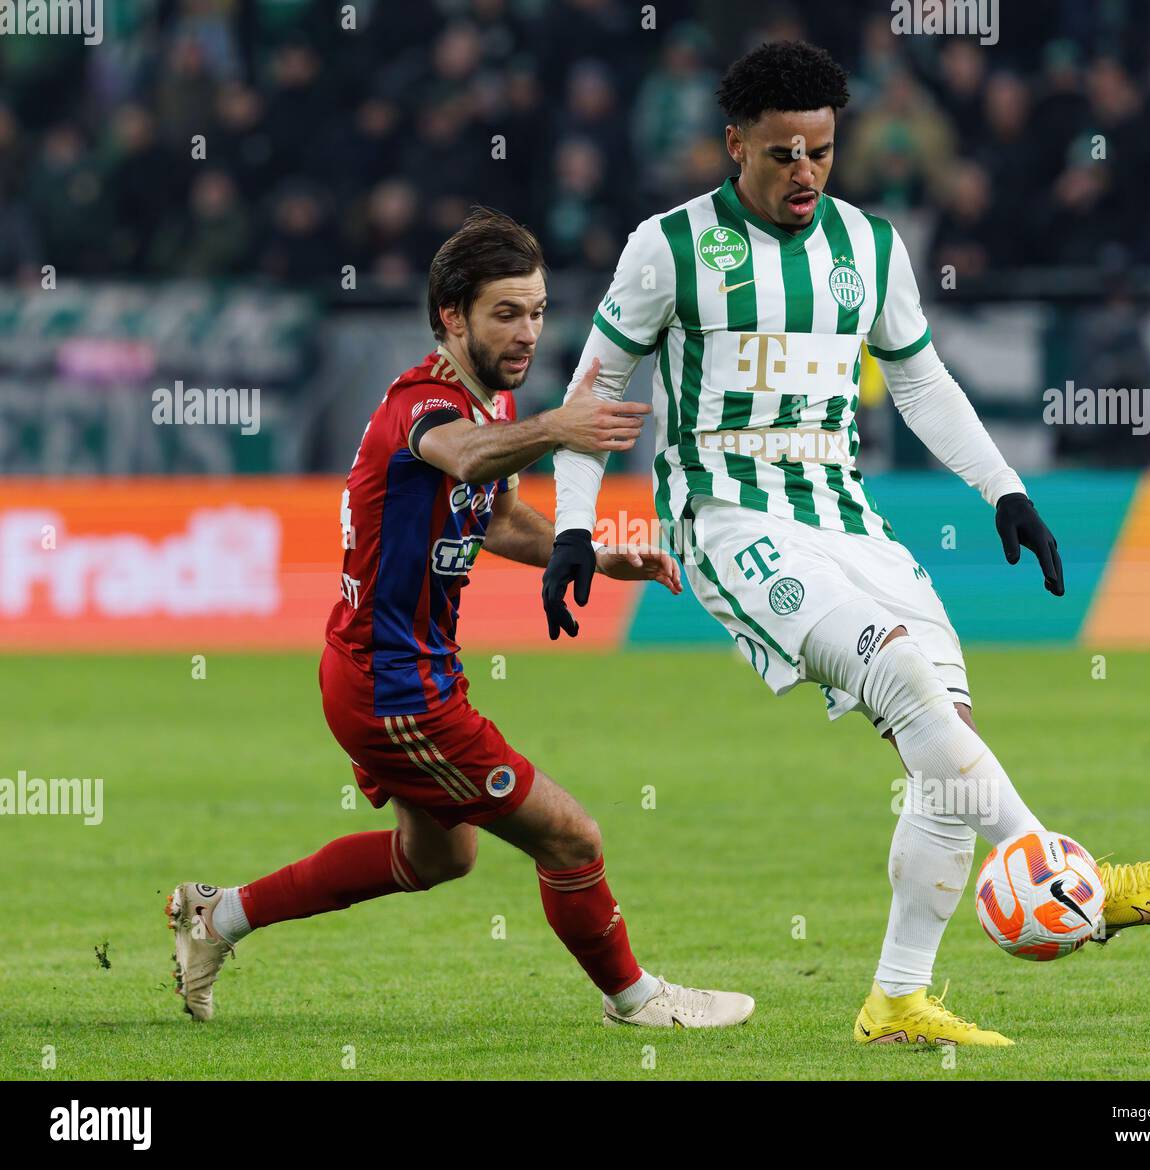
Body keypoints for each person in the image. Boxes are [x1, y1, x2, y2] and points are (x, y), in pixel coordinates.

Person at [542, 41, 1150, 1046]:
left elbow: (922, 380)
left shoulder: (870, 248)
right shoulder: (665, 249)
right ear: (733, 147)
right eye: (782, 154)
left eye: (821, 151)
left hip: (844, 514)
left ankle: (896, 999)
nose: (804, 172)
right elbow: (596, 392)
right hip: (725, 516)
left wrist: (1004, 489)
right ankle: (1061, 868)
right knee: (901, 678)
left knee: (948, 736)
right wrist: (576, 526)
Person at [168, 207, 754, 1030]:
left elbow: (500, 516)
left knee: (437, 856)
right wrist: (558, 427)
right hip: (394, 688)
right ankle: (637, 1000)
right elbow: (465, 455)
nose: (527, 331)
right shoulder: (425, 406)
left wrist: (594, 550)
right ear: (452, 317)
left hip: (398, 668)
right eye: (505, 313)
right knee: (572, 838)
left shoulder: (492, 399)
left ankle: (216, 916)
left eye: (538, 311)